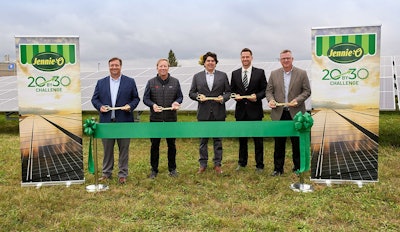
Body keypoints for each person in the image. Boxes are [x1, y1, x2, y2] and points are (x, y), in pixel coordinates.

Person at [91, 57, 140, 184]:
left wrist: (130, 106)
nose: (114, 67)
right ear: (109, 67)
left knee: (124, 149)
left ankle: (122, 174)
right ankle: (106, 173)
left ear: (120, 66)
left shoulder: (129, 82)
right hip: (107, 122)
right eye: (112, 65)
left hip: (124, 122)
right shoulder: (101, 82)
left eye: (116, 65)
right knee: (107, 149)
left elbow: (136, 98)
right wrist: (100, 107)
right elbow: (94, 99)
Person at [266, 49, 311, 176]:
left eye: (288, 58)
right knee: (279, 143)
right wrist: (271, 100)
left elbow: (307, 91)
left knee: (296, 142)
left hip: (296, 114)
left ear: (292, 59)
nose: (285, 60)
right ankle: (278, 169)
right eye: (283, 58)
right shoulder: (274, 74)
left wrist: (298, 100)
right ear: (280, 60)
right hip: (279, 113)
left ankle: (298, 168)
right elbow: (268, 91)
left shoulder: (302, 73)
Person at [189, 52, 231, 174]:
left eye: (213, 61)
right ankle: (203, 164)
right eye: (208, 61)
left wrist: (223, 98)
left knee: (218, 140)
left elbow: (228, 92)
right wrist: (198, 97)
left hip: (218, 113)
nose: (210, 63)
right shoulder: (197, 77)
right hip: (203, 113)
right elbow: (191, 93)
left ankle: (217, 164)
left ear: (216, 63)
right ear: (204, 63)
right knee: (203, 141)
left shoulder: (223, 76)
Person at [143, 58, 183, 179]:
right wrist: (153, 105)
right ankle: (154, 170)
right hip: (155, 119)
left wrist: (176, 102)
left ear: (168, 68)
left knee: (172, 145)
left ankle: (172, 169)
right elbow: (146, 99)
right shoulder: (151, 82)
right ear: (157, 68)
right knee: (155, 145)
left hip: (171, 119)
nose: (163, 68)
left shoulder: (175, 82)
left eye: (165, 66)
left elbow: (180, 97)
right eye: (161, 66)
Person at [231, 48, 267, 172]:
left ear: (252, 58)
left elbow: (264, 90)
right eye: (243, 57)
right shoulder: (235, 73)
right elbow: (232, 91)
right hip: (241, 112)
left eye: (247, 57)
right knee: (242, 139)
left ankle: (259, 165)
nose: (245, 59)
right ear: (240, 58)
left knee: (258, 140)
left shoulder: (260, 72)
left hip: (255, 111)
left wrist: (257, 96)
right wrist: (235, 97)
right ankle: (242, 163)